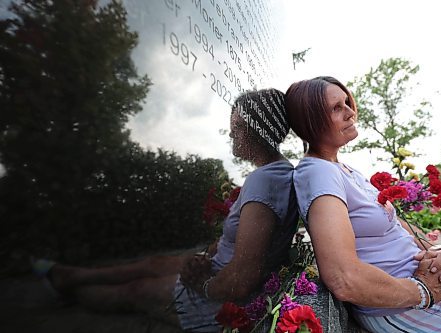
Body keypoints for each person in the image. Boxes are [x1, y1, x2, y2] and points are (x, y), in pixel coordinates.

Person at [34, 88, 299, 332]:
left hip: (225, 300)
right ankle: (72, 275)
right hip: (217, 270)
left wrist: (200, 283)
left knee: (136, 291)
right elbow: (236, 241)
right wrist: (204, 256)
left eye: (237, 127)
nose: (231, 134)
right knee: (154, 263)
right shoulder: (275, 172)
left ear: (259, 130)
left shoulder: (264, 180)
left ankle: (68, 292)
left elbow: (241, 280)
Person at [284, 76, 441, 332]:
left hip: (420, 270)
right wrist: (423, 292)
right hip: (404, 305)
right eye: (336, 108)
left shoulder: (344, 169)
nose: (350, 112)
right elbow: (343, 277)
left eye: (347, 102)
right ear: (310, 121)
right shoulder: (318, 172)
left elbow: (398, 228)